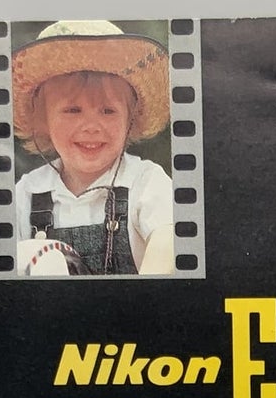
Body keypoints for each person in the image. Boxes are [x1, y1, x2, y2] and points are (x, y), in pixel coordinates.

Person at [11, 20, 176, 277]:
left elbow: (167, 243)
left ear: (130, 120)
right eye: (72, 110)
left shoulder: (145, 182)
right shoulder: (27, 192)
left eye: (108, 111)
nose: (91, 126)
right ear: (42, 120)